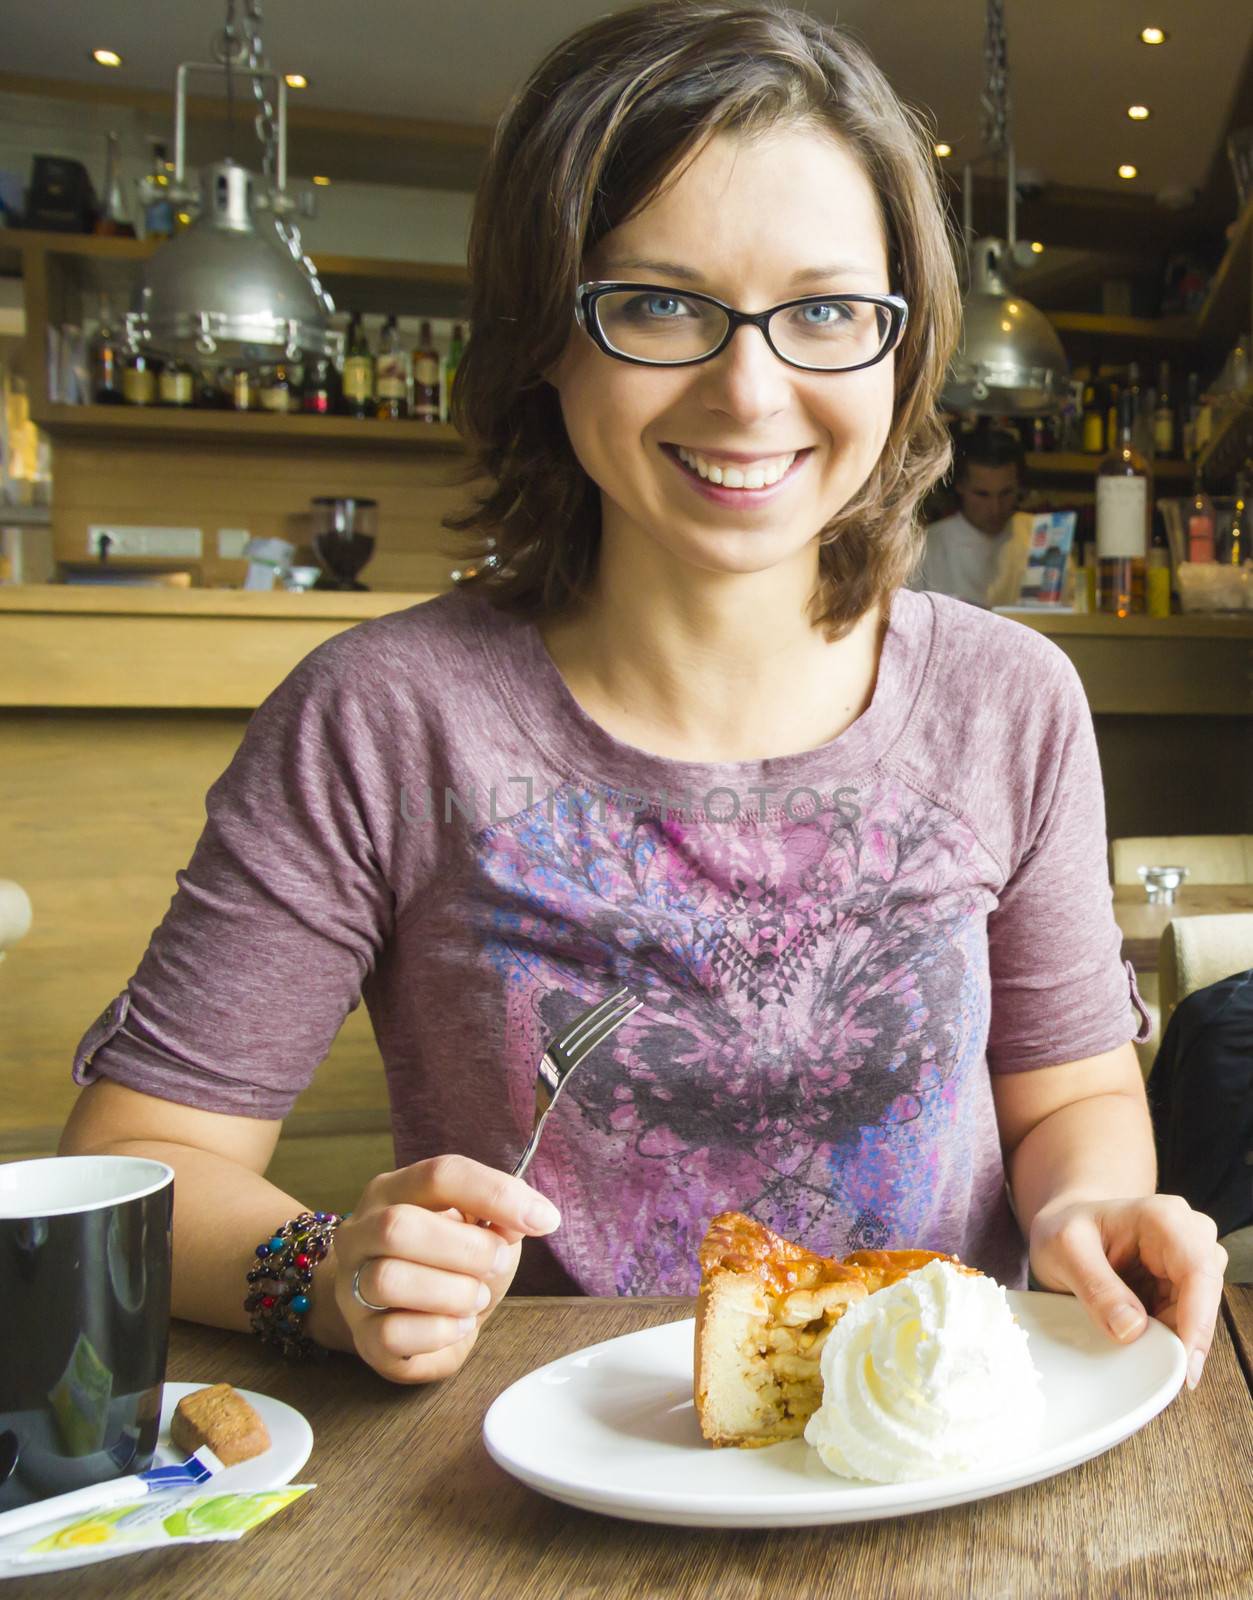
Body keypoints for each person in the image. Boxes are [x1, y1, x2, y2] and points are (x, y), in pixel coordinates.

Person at [60, 0, 1226, 1392]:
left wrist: (1078, 1209)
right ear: (544, 334)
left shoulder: (1008, 699)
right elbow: (138, 1164)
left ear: (903, 344)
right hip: (531, 1484)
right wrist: (323, 1272)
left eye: (827, 310)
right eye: (660, 302)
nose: (750, 388)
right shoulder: (382, 717)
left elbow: (1077, 1095)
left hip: (931, 1449)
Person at [913, 426, 1026, 607]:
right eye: (982, 494)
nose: (995, 508)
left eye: (1006, 493)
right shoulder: (926, 547)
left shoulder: (1040, 537)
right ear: (959, 487)